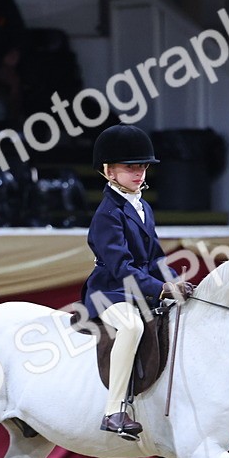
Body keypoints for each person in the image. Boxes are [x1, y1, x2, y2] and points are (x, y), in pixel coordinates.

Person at [82, 125, 194, 440]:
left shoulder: (143, 207)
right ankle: (114, 410)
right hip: (111, 292)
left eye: (142, 167)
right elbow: (121, 267)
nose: (139, 173)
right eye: (130, 167)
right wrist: (160, 288)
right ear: (109, 171)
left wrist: (175, 282)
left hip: (140, 290)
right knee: (131, 327)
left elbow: (156, 257)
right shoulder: (108, 213)